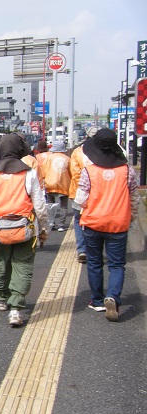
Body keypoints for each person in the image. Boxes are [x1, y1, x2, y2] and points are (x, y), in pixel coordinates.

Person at [0, 134, 49, 327]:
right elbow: (39, 205)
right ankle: (16, 309)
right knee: (22, 267)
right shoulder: (29, 173)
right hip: (25, 229)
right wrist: (44, 228)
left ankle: (1, 298)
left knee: (1, 264)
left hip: (0, 229)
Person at [75, 128, 139, 322]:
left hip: (93, 222)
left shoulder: (90, 171)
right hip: (118, 223)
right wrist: (131, 217)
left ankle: (97, 300)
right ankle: (113, 296)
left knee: (94, 263)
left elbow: (80, 200)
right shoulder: (127, 171)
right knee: (117, 264)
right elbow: (134, 199)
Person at [68, 126, 99, 263]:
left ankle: (82, 250)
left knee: (78, 220)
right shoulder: (103, 151)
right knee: (96, 220)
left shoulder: (77, 152)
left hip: (78, 191)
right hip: (99, 192)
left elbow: (74, 173)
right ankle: (95, 250)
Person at [39, 140, 71, 231]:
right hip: (64, 184)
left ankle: (51, 222)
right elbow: (72, 172)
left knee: (50, 203)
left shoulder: (49, 158)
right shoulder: (67, 159)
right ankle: (61, 225)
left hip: (50, 183)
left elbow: (43, 171)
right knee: (63, 205)